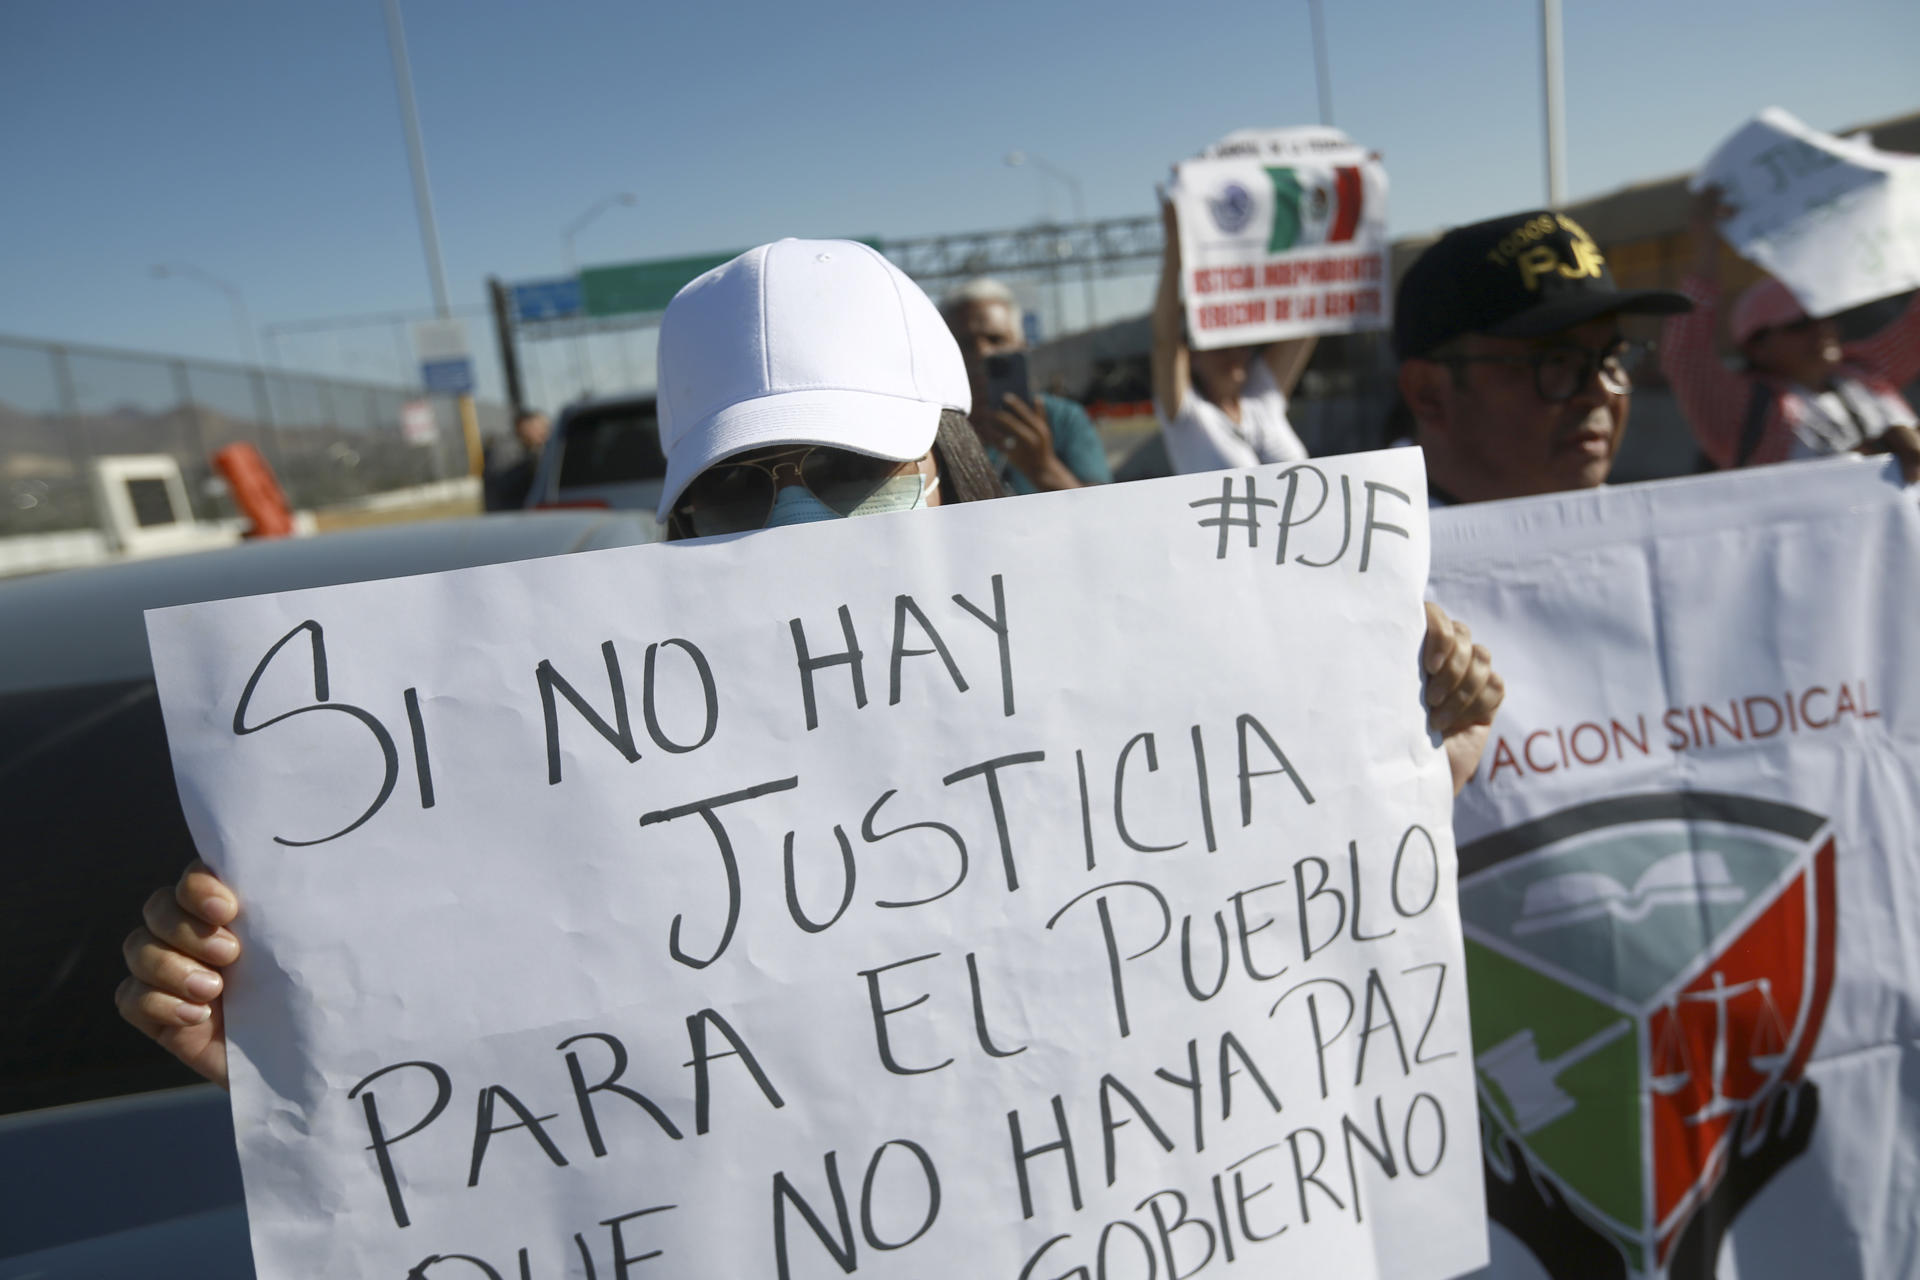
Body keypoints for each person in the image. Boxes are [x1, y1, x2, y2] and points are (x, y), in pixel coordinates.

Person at [117, 238, 1505, 1089]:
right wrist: (283, 1045)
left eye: (843, 469)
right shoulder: (593, 799)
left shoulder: (1139, 706)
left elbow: (1281, 905)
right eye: (737, 486)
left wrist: (1428, 738)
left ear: (952, 470)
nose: (787, 520)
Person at [1393, 209, 1694, 505]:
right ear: (1427, 392)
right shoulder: (1369, 553)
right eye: (1557, 361)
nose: (1600, 392)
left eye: (1611, 359)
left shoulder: (1653, 541)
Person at [1660, 186, 1920, 480]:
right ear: (1757, 346)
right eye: (1799, 324)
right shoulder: (1742, 407)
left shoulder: (1863, 371)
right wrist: (1705, 243)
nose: (1822, 330)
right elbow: (1686, 354)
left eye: (1824, 316)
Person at [1151, 198, 1318, 474]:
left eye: (1241, 345)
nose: (1234, 354)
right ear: (1192, 357)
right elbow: (1165, 340)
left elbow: (1310, 315)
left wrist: (1310, 220)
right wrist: (1175, 246)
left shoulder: (1262, 399)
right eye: (1219, 347)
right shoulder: (1189, 416)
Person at [939, 278, 1113, 494]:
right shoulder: (933, 430)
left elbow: (1100, 510)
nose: (982, 353)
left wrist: (1042, 468)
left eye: (996, 339)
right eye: (965, 344)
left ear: (1021, 346)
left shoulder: (1064, 420)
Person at [482, 409, 550, 511]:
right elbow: (502, 485)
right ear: (524, 427)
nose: (545, 433)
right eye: (541, 428)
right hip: (510, 514)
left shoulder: (531, 448)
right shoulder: (504, 451)